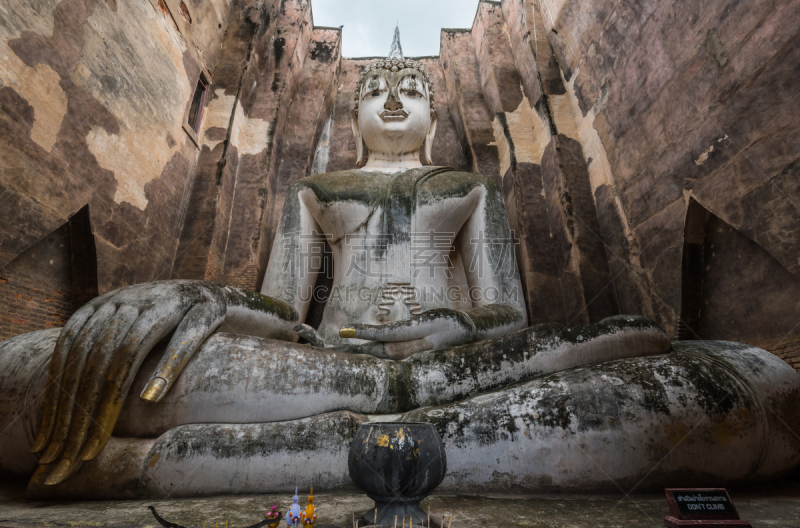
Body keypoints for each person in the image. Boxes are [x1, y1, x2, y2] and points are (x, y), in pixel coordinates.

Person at [1, 32, 798, 498]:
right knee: (52, 365)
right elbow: (280, 309)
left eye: (407, 87)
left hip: (467, 364)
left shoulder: (471, 187)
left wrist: (455, 329)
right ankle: (408, 423)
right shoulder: (315, 188)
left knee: (720, 382)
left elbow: (507, 314)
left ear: (429, 112)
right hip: (325, 369)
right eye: (375, 88)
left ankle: (246, 457)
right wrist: (200, 298)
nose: (390, 97)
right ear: (353, 112)